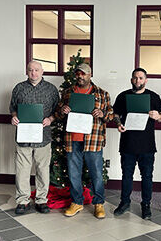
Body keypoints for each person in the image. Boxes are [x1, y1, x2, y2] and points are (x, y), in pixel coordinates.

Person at [58, 63, 113, 219]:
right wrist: (63, 110)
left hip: (93, 140)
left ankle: (98, 203)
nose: (80, 76)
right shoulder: (68, 93)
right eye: (78, 74)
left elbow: (111, 115)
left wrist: (102, 113)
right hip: (72, 139)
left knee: (96, 173)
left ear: (90, 75)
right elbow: (59, 112)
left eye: (84, 74)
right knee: (74, 173)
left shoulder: (102, 94)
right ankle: (77, 202)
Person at [112, 68, 161, 219]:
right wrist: (118, 123)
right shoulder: (123, 96)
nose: (138, 81)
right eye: (135, 78)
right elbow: (115, 114)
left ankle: (146, 205)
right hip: (128, 144)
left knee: (147, 176)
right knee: (126, 175)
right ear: (131, 80)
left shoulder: (154, 97)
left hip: (147, 145)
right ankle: (124, 202)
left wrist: (157, 116)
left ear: (146, 80)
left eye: (141, 78)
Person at [10, 61, 59, 214]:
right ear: (27, 71)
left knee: (43, 170)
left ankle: (41, 200)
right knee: (22, 170)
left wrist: (50, 119)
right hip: (23, 136)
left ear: (42, 71)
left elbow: (58, 111)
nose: (33, 73)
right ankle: (23, 201)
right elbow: (13, 108)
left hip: (43, 136)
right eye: (30, 70)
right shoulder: (19, 88)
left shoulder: (51, 89)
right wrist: (14, 117)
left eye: (36, 70)